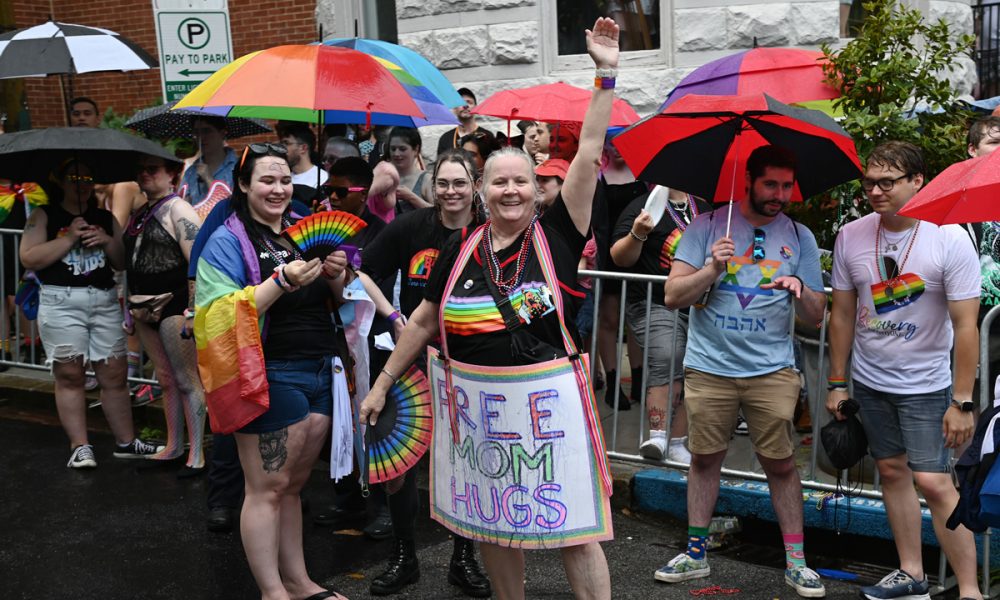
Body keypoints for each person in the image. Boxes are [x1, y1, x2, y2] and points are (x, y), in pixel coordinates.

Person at [360, 17, 620, 600]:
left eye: (520, 183)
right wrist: (382, 383)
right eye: (498, 182)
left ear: (535, 189)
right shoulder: (458, 246)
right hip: (480, 415)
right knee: (497, 531)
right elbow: (425, 320)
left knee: (577, 531)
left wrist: (604, 74)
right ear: (482, 191)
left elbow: (590, 153)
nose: (510, 191)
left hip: (547, 410)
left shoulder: (559, 231)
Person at [660, 145, 828, 598]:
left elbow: (817, 314)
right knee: (704, 459)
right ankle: (695, 555)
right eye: (771, 184)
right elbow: (674, 296)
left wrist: (799, 289)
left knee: (780, 464)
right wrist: (713, 267)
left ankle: (796, 562)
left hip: (772, 370)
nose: (780, 194)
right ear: (749, 181)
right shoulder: (707, 226)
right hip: (710, 368)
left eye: (786, 186)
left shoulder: (799, 236)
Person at [826, 141, 983, 600]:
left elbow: (966, 324)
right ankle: (911, 575)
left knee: (934, 482)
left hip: (929, 386)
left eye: (887, 182)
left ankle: (970, 590)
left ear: (918, 181)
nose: (875, 191)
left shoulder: (949, 235)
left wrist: (962, 400)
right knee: (891, 472)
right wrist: (837, 382)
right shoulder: (851, 234)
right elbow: (841, 313)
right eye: (869, 182)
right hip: (871, 381)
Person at [195, 143, 350, 600]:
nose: (279, 189)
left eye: (285, 180)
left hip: (320, 367)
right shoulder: (227, 239)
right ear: (243, 185)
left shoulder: (301, 232)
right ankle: (271, 591)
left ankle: (299, 582)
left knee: (294, 485)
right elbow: (214, 314)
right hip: (269, 373)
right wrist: (280, 281)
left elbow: (333, 303)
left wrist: (335, 274)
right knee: (266, 486)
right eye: (267, 180)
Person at [356, 148, 490, 597]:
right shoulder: (412, 227)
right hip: (409, 359)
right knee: (400, 466)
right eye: (443, 184)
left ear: (475, 186)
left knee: (465, 461)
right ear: (433, 188)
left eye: (459, 183)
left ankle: (463, 558)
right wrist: (393, 315)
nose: (451, 192)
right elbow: (364, 269)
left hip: (469, 363)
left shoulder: (489, 233)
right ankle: (404, 556)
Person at [19, 159, 162, 468]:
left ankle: (126, 441)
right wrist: (69, 238)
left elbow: (122, 262)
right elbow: (29, 257)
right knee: (69, 375)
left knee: (114, 374)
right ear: (59, 180)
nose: (81, 182)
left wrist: (107, 241)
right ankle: (80, 446)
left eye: (87, 176)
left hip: (104, 299)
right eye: (73, 176)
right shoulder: (45, 215)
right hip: (61, 301)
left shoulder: (105, 217)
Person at [611, 186, 712, 464]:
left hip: (698, 303)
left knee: (690, 365)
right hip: (652, 301)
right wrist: (638, 233)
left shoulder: (704, 208)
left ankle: (678, 442)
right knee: (668, 353)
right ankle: (657, 435)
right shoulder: (640, 207)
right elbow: (619, 257)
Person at [125, 155, 207, 475]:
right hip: (143, 305)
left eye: (152, 169)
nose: (144, 174)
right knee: (166, 379)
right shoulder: (142, 211)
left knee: (188, 380)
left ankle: (197, 455)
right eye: (141, 169)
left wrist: (193, 310)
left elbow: (197, 262)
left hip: (174, 306)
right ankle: (174, 446)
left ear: (173, 173)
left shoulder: (179, 209)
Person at [966, 116, 1000, 399]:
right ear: (972, 150)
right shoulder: (958, 198)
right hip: (978, 322)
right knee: (977, 401)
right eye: (994, 143)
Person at [180, 116, 237, 206]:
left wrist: (209, 179)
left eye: (206, 131)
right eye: (196, 132)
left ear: (222, 134)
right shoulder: (190, 172)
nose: (201, 137)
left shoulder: (238, 168)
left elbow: (233, 208)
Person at [386, 127, 431, 214]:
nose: (396, 154)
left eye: (402, 149)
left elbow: (439, 213)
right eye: (393, 149)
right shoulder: (383, 178)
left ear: (416, 150)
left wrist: (411, 197)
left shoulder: (426, 179)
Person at [437, 87, 486, 156]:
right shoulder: (445, 139)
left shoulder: (486, 137)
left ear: (476, 107)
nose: (465, 106)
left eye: (469, 102)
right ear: (454, 108)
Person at [278, 121, 323, 189]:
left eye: (286, 143)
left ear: (303, 148)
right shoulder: (283, 179)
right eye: (281, 144)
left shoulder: (321, 178)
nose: (282, 148)